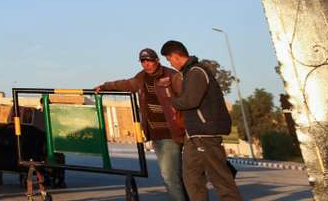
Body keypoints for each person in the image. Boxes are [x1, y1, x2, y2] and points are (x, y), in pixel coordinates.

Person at [95, 48, 188, 201]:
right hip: (156, 135)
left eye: (149, 60)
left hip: (171, 132)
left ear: (157, 60)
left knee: (169, 176)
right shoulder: (142, 77)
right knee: (174, 175)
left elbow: (186, 99)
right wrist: (105, 86)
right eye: (143, 61)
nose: (146, 64)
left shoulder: (172, 76)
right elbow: (125, 84)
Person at [158, 40, 243, 201]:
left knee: (220, 178)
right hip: (194, 135)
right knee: (191, 176)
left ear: (175, 56)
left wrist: (170, 99)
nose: (170, 63)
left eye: (169, 59)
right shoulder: (188, 73)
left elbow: (190, 101)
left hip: (206, 133)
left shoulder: (196, 72)